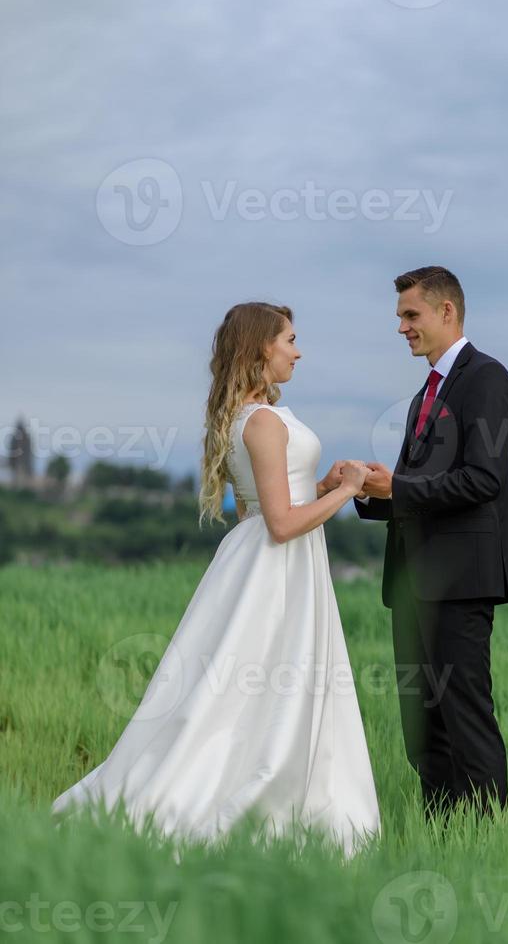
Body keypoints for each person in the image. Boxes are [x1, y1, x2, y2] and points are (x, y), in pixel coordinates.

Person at [51, 302, 381, 858]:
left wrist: (327, 483)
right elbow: (280, 524)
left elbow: (286, 495)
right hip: (275, 568)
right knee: (253, 686)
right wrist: (347, 494)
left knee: (253, 686)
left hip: (279, 564)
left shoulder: (259, 416)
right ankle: (250, 801)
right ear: (261, 348)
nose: (298, 351)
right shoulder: (264, 423)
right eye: (291, 340)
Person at [353, 266, 508, 823]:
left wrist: (394, 486)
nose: (401, 326)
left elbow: (483, 480)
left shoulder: (488, 379)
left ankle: (490, 840)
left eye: (410, 315)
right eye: (400, 316)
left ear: (447, 312)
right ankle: (441, 836)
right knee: (422, 727)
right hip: (410, 582)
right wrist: (363, 491)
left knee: (465, 718)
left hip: (461, 581)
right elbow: (413, 489)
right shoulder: (427, 390)